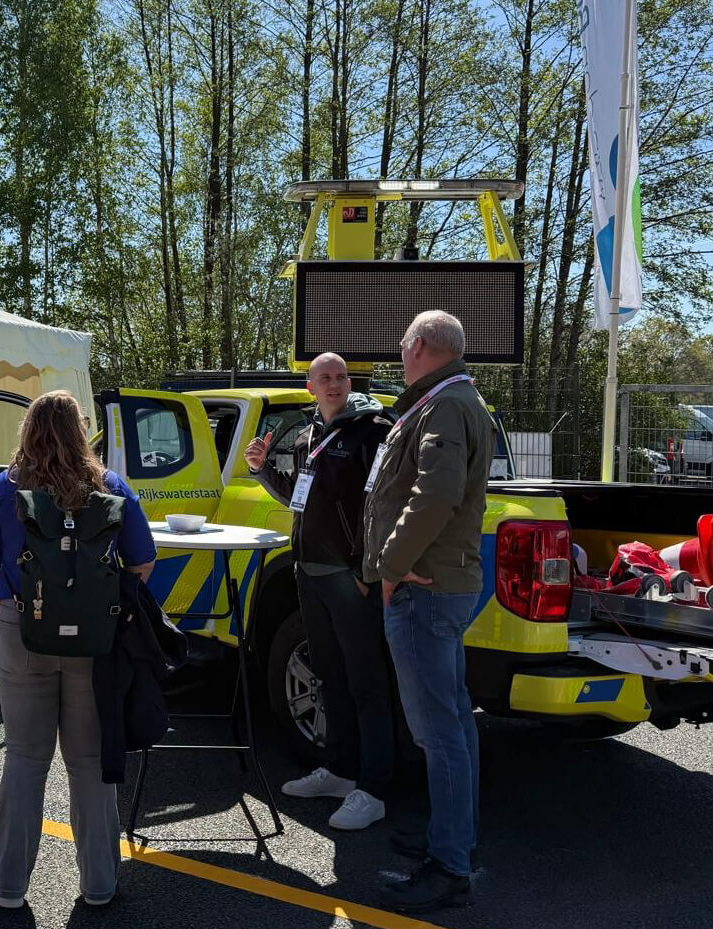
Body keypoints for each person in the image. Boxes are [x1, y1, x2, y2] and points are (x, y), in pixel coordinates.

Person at [0, 391, 156, 909]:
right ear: (81, 433)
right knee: (90, 763)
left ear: (28, 431)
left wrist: (4, 606)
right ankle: (99, 884)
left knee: (25, 759)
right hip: (95, 643)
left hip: (23, 629)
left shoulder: (3, 491)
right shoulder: (111, 488)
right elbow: (142, 562)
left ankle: (7, 889)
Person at [362, 311, 495, 913]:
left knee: (438, 730)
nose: (400, 351)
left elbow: (435, 493)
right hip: (441, 584)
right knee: (453, 723)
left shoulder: (443, 406)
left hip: (425, 588)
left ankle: (448, 867)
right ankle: (452, 839)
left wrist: (391, 564)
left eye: (403, 344)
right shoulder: (454, 401)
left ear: (418, 347)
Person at [245, 353, 394, 830]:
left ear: (349, 383)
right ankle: (340, 770)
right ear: (310, 387)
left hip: (347, 576)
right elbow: (297, 495)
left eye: (341, 377)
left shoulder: (371, 430)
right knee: (329, 675)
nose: (334, 384)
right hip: (308, 571)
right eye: (324, 378)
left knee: (367, 683)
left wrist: (364, 569)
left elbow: (381, 506)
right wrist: (261, 468)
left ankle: (374, 789)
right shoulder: (311, 433)